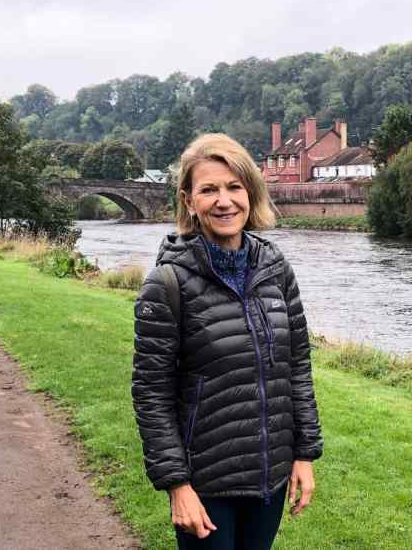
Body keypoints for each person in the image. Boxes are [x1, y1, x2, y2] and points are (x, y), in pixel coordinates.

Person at [131, 133, 323, 549]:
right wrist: (176, 484)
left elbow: (297, 368)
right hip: (206, 484)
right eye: (209, 189)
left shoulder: (276, 269)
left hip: (268, 478)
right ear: (188, 201)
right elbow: (152, 394)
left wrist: (304, 454)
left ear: (251, 194)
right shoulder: (167, 285)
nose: (224, 201)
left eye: (235, 187)